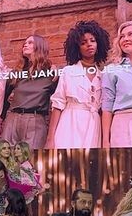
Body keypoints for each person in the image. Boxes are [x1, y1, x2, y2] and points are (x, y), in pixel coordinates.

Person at [45, 19, 111, 149]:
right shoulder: (68, 72)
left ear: (99, 44)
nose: (89, 45)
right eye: (83, 42)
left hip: (94, 125)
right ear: (77, 48)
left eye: (92, 40)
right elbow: (58, 104)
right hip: (70, 122)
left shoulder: (104, 75)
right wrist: (50, 138)